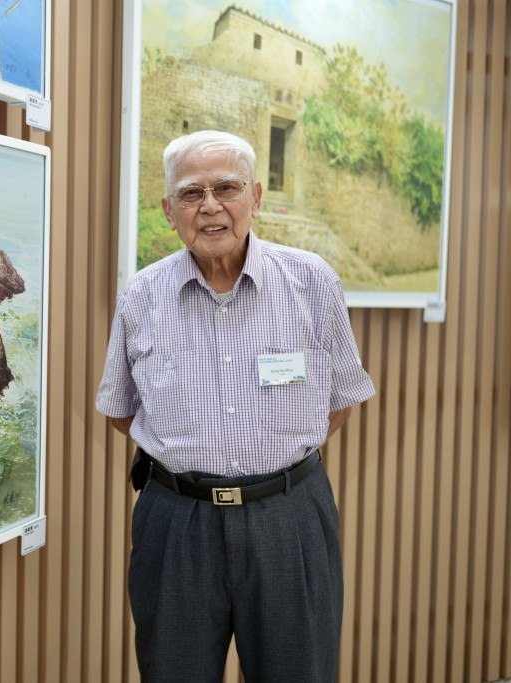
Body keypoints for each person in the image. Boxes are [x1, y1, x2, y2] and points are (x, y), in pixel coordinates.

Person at [95, 130, 375, 682]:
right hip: (176, 524)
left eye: (227, 187)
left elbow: (340, 398)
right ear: (168, 210)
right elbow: (121, 407)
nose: (211, 206)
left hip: (289, 518)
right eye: (192, 193)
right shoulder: (141, 296)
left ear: (257, 197)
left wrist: (275, 464)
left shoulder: (312, 282)